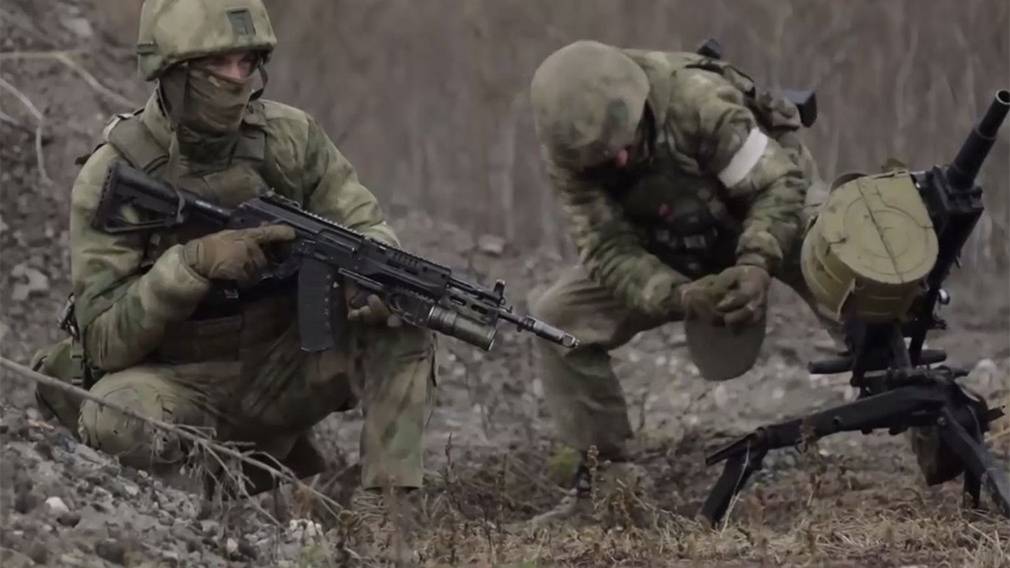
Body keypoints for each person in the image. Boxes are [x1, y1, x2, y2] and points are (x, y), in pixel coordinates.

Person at [31, 0, 435, 538]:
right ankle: (186, 530)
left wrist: (372, 274)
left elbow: (365, 223)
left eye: (248, 63)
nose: (237, 79)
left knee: (404, 321)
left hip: (283, 368)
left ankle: (387, 522)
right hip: (178, 383)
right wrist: (190, 267)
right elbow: (102, 340)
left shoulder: (291, 139)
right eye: (218, 65)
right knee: (114, 416)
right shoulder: (118, 174)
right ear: (171, 72)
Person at [525, 39, 837, 524]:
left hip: (770, 213)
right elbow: (608, 250)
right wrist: (679, 295)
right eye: (605, 159)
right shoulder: (570, 158)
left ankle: (931, 421)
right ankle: (606, 490)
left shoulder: (697, 100)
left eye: (625, 145)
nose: (619, 163)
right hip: (669, 238)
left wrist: (756, 261)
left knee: (844, 258)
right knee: (558, 319)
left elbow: (778, 185)